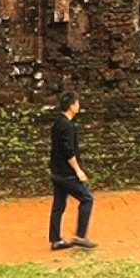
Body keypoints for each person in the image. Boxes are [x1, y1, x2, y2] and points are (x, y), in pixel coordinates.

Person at [48, 91, 97, 250]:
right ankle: (81, 236)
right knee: (87, 199)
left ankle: (56, 240)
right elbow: (68, 151)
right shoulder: (67, 126)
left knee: (58, 205)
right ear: (71, 106)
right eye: (77, 103)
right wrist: (78, 170)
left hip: (56, 171)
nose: (78, 106)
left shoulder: (58, 122)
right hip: (66, 173)